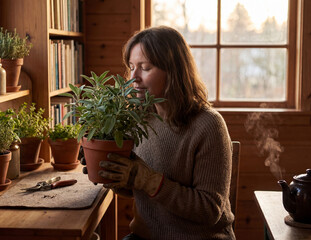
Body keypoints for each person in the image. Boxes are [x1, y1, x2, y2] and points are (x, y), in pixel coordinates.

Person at [85, 26, 235, 240]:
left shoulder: (208, 125)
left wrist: (149, 180)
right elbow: (138, 189)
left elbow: (209, 210)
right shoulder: (139, 118)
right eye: (131, 67)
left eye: (145, 67)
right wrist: (117, 176)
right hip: (145, 236)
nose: (133, 77)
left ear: (174, 71)